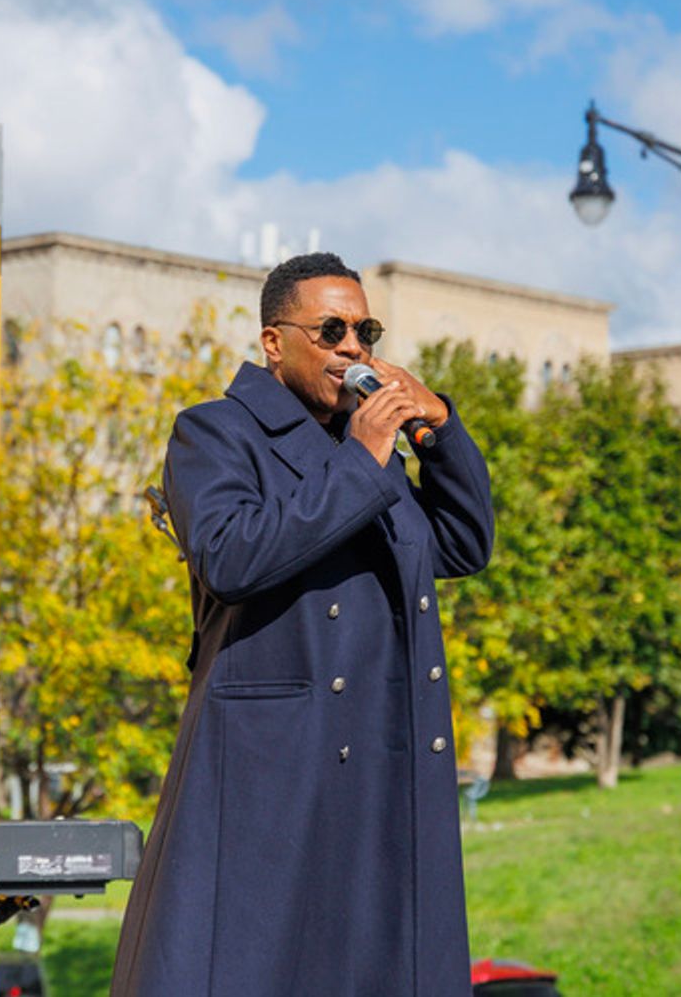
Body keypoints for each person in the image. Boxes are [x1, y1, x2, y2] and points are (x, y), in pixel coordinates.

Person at [111, 252, 495, 997]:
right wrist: (361, 458)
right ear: (274, 342)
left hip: (387, 747)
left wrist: (440, 430)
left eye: (366, 330)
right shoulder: (214, 433)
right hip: (279, 762)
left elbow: (461, 543)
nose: (355, 348)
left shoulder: (371, 443)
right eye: (332, 329)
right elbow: (231, 556)